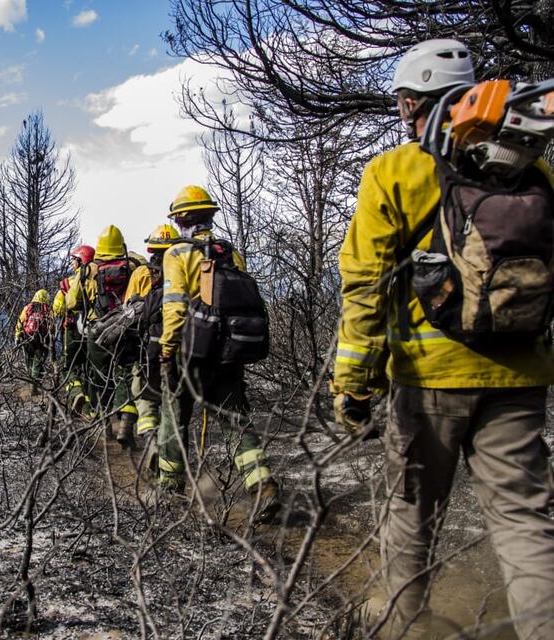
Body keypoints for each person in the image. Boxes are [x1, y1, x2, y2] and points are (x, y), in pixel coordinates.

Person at [332, 38, 554, 639]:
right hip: (519, 375)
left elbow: (365, 285)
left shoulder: (395, 170)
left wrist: (354, 383)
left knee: (411, 515)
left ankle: (401, 626)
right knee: (524, 521)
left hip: (426, 380)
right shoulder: (532, 169)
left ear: (412, 102)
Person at [158, 185, 280, 522]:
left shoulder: (177, 253)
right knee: (236, 419)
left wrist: (168, 349)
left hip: (191, 352)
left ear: (181, 219)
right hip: (228, 350)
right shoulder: (230, 252)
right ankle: (263, 486)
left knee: (174, 417)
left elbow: (175, 307)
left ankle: (169, 489)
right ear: (209, 215)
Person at [66, 225, 140, 445]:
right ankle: (126, 420)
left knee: (99, 378)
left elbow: (71, 302)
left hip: (96, 331)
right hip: (126, 328)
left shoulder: (88, 270)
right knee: (125, 374)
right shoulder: (133, 267)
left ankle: (105, 424)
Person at [125, 224, 179, 459]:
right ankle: (172, 454)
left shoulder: (141, 273)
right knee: (172, 399)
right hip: (180, 343)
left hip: (148, 342)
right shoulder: (185, 266)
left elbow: (128, 308)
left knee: (143, 392)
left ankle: (150, 441)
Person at [53, 245, 95, 413]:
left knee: (69, 368)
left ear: (80, 261)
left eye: (73, 260)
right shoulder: (97, 279)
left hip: (71, 332)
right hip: (93, 331)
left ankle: (76, 394)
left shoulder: (67, 283)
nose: (72, 263)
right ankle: (91, 409)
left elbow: (57, 309)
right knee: (90, 370)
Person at [15, 289, 52, 395]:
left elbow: (20, 322)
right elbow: (52, 327)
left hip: (27, 338)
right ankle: (34, 387)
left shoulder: (28, 308)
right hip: (41, 340)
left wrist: (17, 336)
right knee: (38, 363)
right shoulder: (47, 310)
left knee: (29, 362)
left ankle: (31, 386)